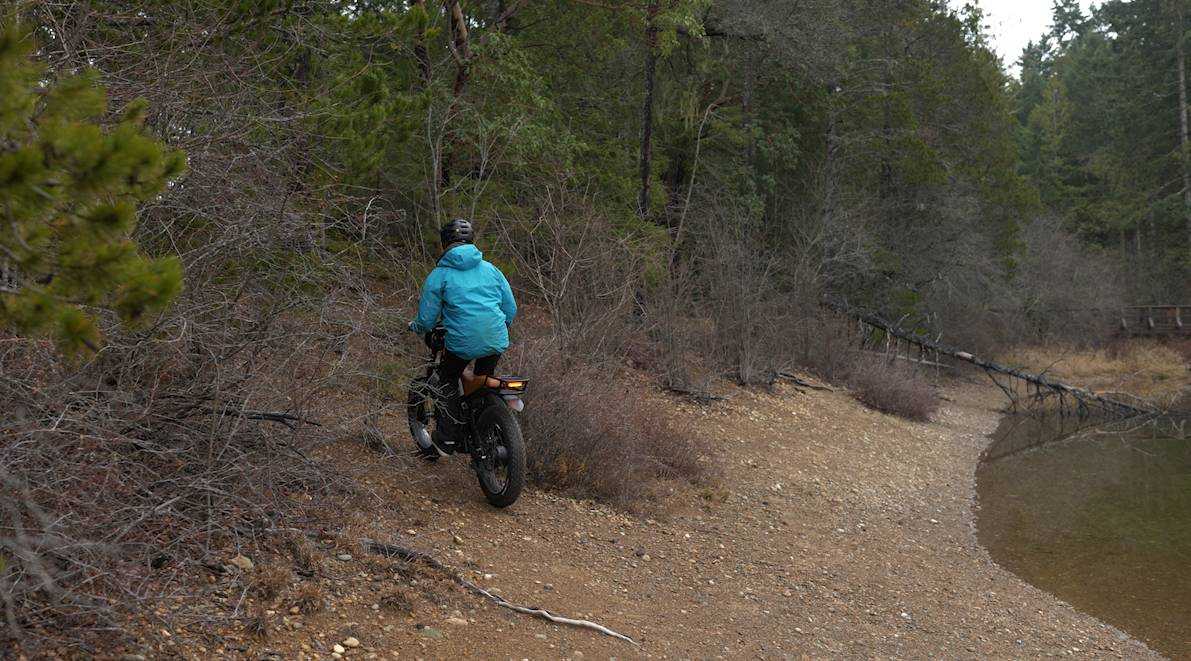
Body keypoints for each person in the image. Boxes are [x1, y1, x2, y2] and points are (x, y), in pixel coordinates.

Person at [409, 218, 517, 457]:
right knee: (480, 379)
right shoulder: (491, 269)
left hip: (460, 344)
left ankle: (447, 439)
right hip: (495, 339)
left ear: (445, 243)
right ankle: (485, 419)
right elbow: (510, 309)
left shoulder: (440, 275)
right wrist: (498, 327)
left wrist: (415, 327)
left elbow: (427, 320)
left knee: (447, 377)